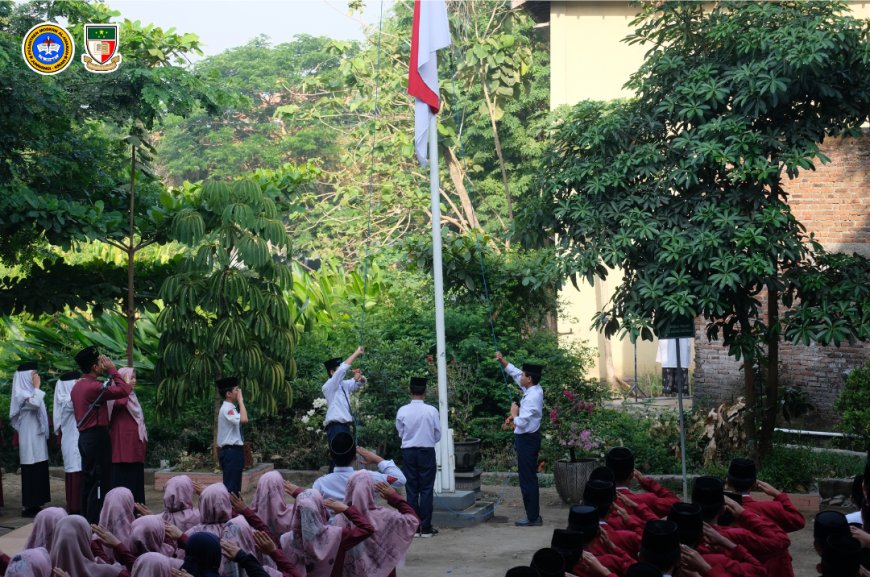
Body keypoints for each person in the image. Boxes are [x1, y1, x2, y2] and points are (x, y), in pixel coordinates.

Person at [71, 346, 132, 523]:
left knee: (89, 480)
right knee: (100, 480)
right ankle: (96, 521)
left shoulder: (78, 386)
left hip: (85, 438)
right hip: (97, 436)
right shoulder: (93, 387)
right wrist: (112, 370)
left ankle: (86, 518)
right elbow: (124, 390)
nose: (102, 365)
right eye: (99, 363)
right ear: (94, 367)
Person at [495, 351, 544, 527]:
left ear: (529, 379)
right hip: (528, 439)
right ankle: (533, 515)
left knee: (527, 479)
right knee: (528, 477)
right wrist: (503, 362)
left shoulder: (532, 397)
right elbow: (515, 372)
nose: (520, 376)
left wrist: (513, 414)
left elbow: (522, 422)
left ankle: (532, 517)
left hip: (527, 440)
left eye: (524, 375)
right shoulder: (533, 388)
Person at [395, 376, 441, 537]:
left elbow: (400, 432)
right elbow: (438, 434)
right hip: (426, 451)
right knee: (427, 489)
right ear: (425, 391)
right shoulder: (432, 410)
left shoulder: (402, 410)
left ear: (410, 390)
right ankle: (426, 527)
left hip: (409, 451)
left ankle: (414, 526)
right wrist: (427, 440)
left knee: (412, 489)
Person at [10, 361, 52, 516]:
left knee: (39, 466)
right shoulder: (21, 394)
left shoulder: (32, 392)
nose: (36, 377)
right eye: (33, 374)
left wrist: (35, 389)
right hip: (28, 437)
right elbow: (34, 403)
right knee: (31, 468)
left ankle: (37, 503)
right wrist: (36, 388)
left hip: (37, 436)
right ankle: (28, 506)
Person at [312, 432, 405, 502]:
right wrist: (376, 459)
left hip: (332, 527)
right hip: (365, 527)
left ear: (330, 456)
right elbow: (400, 479)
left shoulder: (319, 484)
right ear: (355, 457)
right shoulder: (371, 478)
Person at [321, 346, 366, 472]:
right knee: (338, 458)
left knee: (343, 459)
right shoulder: (329, 386)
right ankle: (332, 483)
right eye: (337, 370)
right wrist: (356, 353)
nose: (341, 372)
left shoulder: (343, 385)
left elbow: (359, 383)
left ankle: (337, 484)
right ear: (331, 372)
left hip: (344, 426)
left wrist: (359, 377)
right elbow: (342, 370)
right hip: (336, 427)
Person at [110, 367, 148, 504]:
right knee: (125, 476)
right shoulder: (117, 395)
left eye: (134, 377)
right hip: (124, 447)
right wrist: (124, 387)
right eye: (131, 377)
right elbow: (119, 403)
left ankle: (137, 506)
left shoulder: (131, 395)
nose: (134, 380)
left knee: (135, 476)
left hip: (133, 446)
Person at [54, 370, 83, 514]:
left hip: (79, 442)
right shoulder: (66, 402)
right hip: (72, 443)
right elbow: (73, 402)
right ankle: (75, 507)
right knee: (75, 472)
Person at [216, 377, 248, 495]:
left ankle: (233, 510)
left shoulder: (231, 409)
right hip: (231, 451)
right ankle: (231, 511)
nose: (239, 392)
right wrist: (241, 401)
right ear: (228, 394)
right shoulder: (227, 409)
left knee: (234, 485)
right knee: (231, 488)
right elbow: (244, 419)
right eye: (236, 390)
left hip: (233, 451)